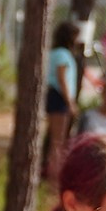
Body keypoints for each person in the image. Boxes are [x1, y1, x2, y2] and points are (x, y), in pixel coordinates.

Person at [43, 22, 84, 181]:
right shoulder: (62, 54)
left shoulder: (57, 53)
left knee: (56, 138)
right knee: (58, 140)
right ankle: (55, 176)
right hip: (59, 98)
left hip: (57, 97)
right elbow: (62, 79)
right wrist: (70, 102)